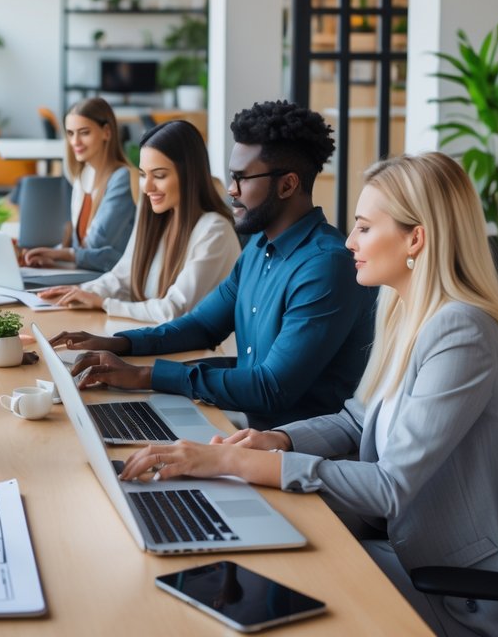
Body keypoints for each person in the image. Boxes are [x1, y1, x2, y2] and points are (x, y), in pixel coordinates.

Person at [118, 152, 498, 636]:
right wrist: (278, 442)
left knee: (262, 585)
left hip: (455, 592)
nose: (349, 241)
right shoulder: (406, 310)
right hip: (405, 548)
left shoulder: (463, 333)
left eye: (363, 228)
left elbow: (390, 488)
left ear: (415, 238)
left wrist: (239, 464)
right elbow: (357, 419)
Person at [53, 100, 376, 430]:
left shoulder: (326, 266)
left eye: (242, 178)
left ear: (288, 184)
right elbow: (201, 326)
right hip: (241, 426)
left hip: (292, 453)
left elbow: (271, 388)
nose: (232, 190)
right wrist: (117, 344)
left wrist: (142, 376)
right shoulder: (258, 248)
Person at [38, 119, 240, 321]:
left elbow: (174, 310)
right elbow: (122, 278)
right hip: (162, 341)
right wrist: (78, 291)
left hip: (203, 351)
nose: (147, 187)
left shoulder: (215, 231)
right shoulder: (158, 218)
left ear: (190, 176)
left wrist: (104, 304)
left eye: (159, 175)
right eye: (143, 175)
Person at [21, 97, 136, 273]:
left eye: (84, 132)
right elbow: (78, 246)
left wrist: (60, 255)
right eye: (70, 133)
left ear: (106, 132)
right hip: (85, 271)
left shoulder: (121, 178)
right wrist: (50, 255)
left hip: (110, 277)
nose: (75, 142)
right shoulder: (83, 175)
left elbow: (97, 245)